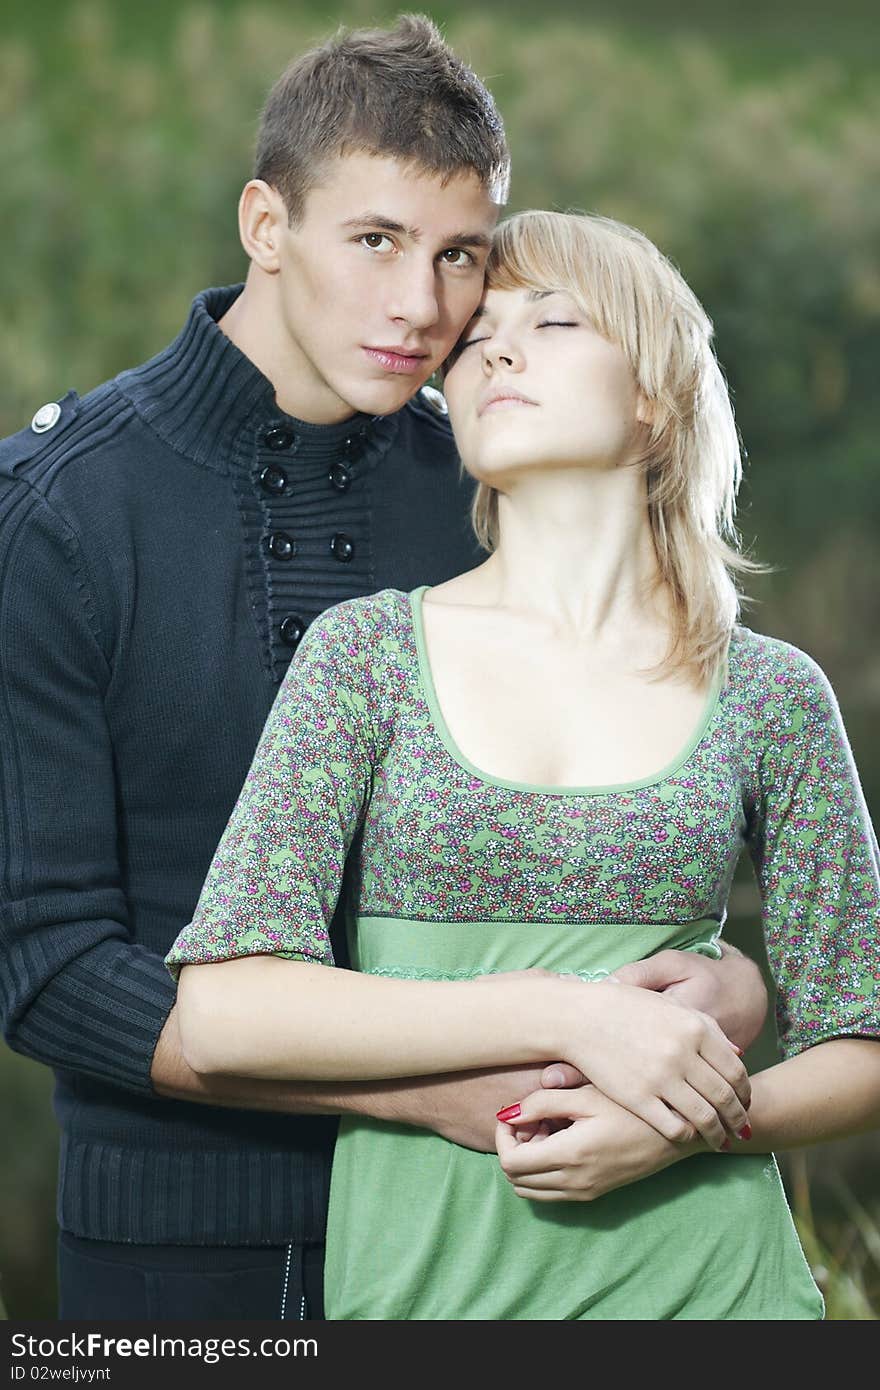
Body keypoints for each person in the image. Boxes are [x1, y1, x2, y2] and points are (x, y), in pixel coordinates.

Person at [0, 19, 764, 1321]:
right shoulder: (59, 512)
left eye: (460, 252)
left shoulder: (490, 480)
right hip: (187, 1259)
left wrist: (729, 980)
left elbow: (641, 812)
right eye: (375, 242)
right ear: (265, 223)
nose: (423, 305)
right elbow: (46, 961)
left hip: (516, 1222)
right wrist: (407, 1087)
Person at [168, 209, 880, 1321]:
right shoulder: (363, 658)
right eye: (479, 333)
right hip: (431, 1296)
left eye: (552, 321)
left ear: (654, 394)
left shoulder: (771, 691)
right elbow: (221, 1020)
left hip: (723, 1293)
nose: (494, 348)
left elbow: (861, 1034)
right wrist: (570, 1011)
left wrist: (688, 1123)